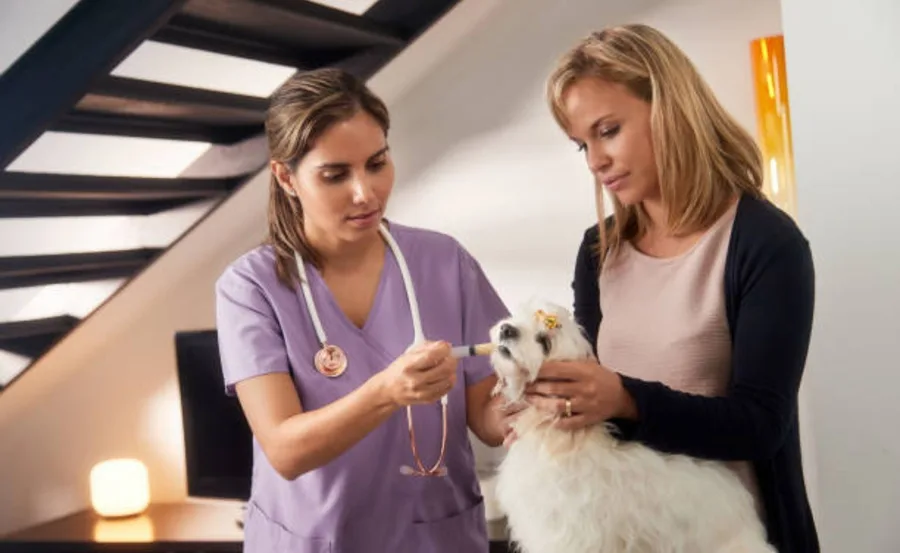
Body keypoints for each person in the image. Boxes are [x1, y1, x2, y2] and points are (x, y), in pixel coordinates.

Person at [522, 24, 819, 552]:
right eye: (581, 145)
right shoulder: (600, 250)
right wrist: (552, 403)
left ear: (670, 109)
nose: (595, 162)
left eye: (608, 130)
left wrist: (625, 399)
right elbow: (595, 398)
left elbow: (760, 426)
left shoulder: (765, 243)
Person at [214, 67, 512, 552]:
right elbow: (285, 450)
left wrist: (533, 411)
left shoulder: (444, 262)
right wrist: (388, 391)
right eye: (336, 175)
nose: (365, 192)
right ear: (285, 176)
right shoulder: (250, 287)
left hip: (436, 538)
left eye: (377, 164)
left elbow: (487, 415)